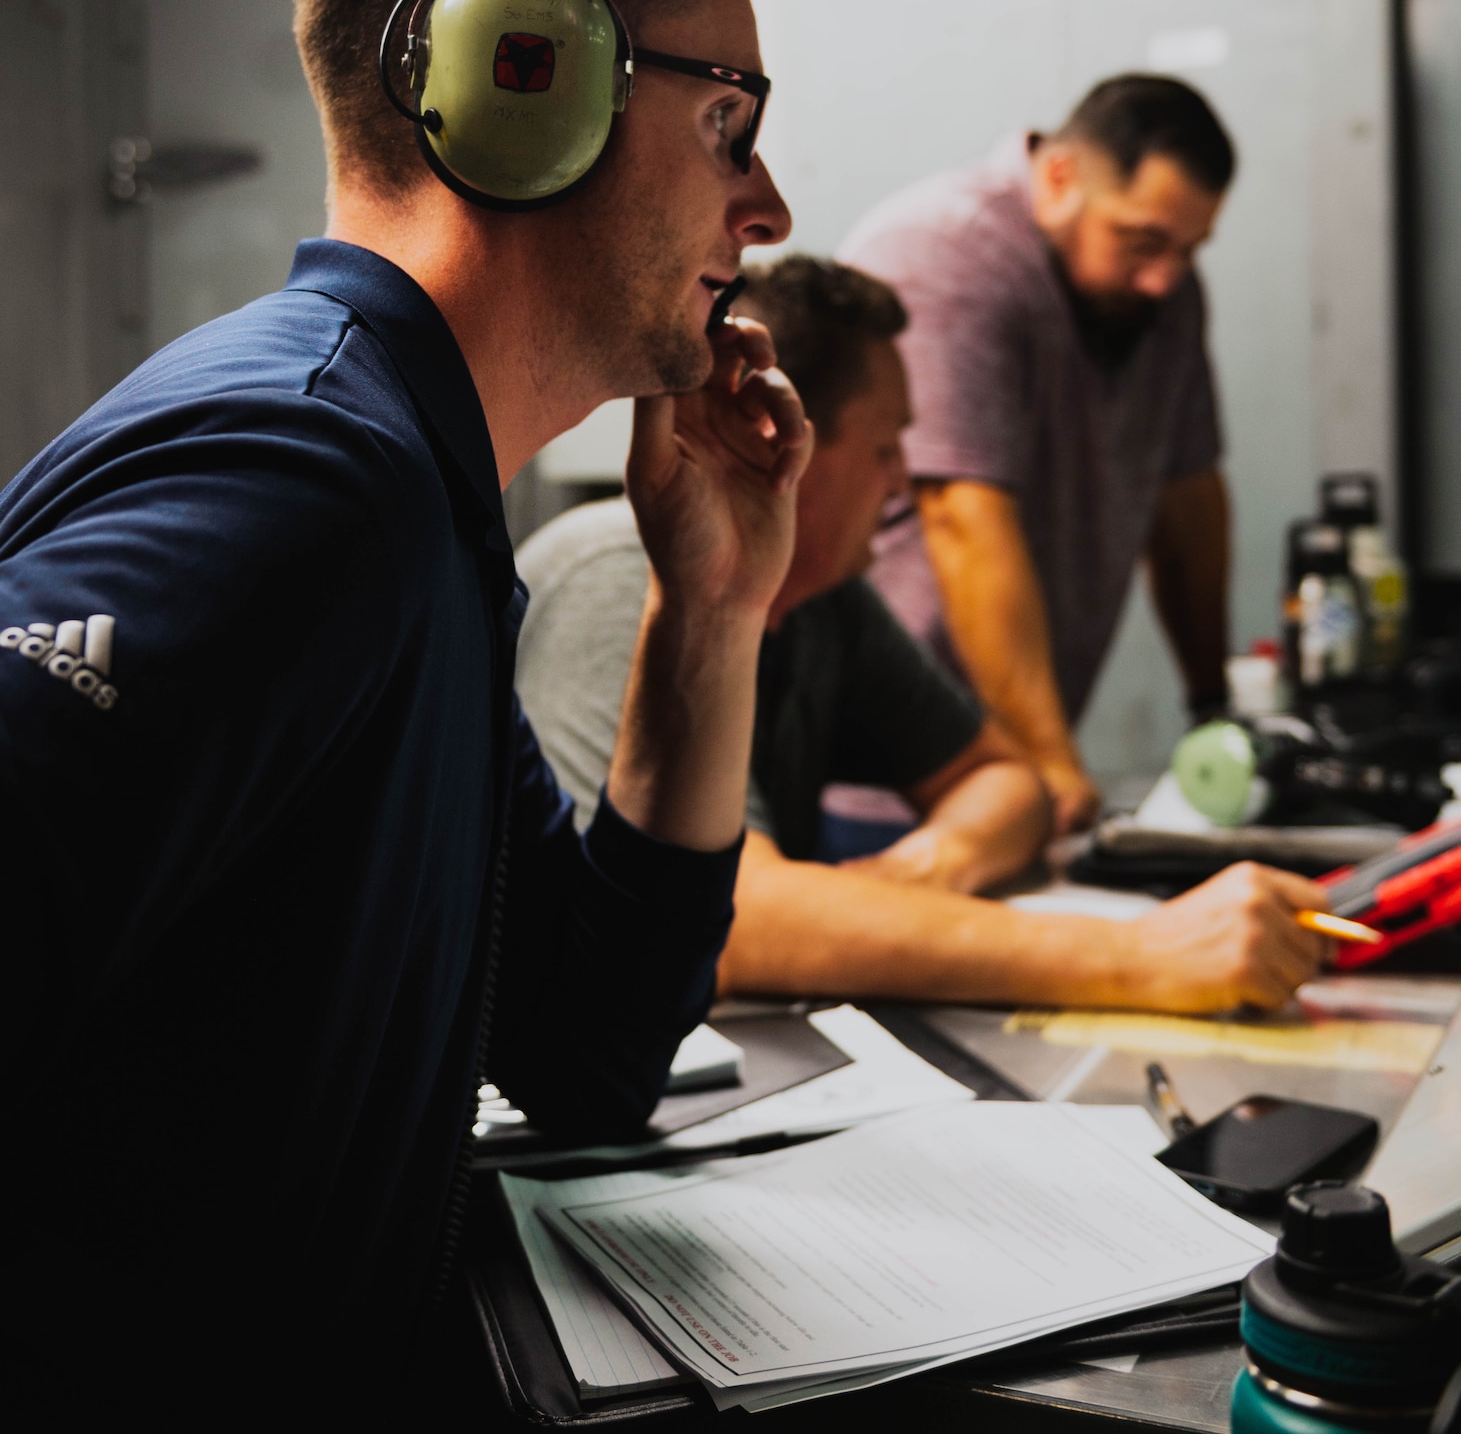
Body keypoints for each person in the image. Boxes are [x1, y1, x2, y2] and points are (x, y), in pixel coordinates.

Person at [0, 0, 810, 1409]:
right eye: (726, 119)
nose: (765, 202)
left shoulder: (414, 505)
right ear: (528, 87)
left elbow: (587, 1048)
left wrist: (710, 608)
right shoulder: (300, 486)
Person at [517, 255, 1327, 1016]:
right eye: (884, 446)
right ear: (778, 433)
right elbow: (730, 917)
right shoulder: (616, 575)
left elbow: (1007, 784)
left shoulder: (825, 604)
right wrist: (1137, 959)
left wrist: (921, 867)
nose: (903, 479)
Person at [841, 75, 1235, 835]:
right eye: (1143, 241)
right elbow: (961, 516)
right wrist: (1052, 764)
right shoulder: (948, 255)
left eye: (1189, 250)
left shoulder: (1163, 295)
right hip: (888, 780)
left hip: (1010, 773)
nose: (1166, 279)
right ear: (1060, 179)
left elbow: (1188, 502)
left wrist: (1213, 714)